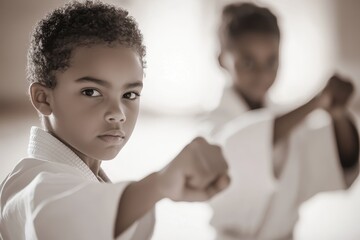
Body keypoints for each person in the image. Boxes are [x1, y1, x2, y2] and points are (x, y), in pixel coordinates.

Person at [0, 1, 230, 239]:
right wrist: (160, 184)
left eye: (129, 95)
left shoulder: (91, 182)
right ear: (43, 98)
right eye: (91, 92)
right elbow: (69, 218)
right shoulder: (30, 187)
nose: (118, 112)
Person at [204, 2, 359, 239]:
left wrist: (337, 113)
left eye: (271, 61)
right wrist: (316, 102)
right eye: (247, 62)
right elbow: (247, 144)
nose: (262, 73)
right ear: (221, 60)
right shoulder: (214, 127)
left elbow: (341, 159)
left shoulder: (294, 125)